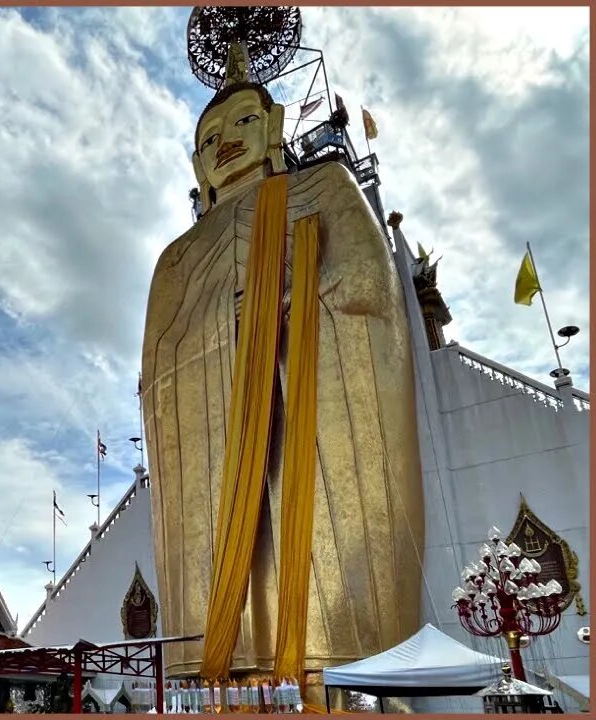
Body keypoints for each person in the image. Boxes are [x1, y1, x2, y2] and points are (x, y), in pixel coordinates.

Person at [141, 43, 422, 683]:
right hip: (215, 452)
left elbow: (366, 288)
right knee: (220, 581)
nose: (226, 142)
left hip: (313, 416)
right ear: (197, 163)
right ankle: (224, 662)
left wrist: (285, 297)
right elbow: (159, 367)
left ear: (272, 129)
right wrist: (234, 320)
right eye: (210, 137)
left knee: (326, 561)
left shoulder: (322, 187)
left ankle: (343, 675)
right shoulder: (177, 258)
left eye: (243, 122)